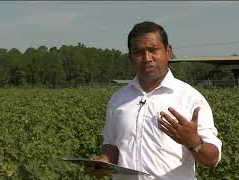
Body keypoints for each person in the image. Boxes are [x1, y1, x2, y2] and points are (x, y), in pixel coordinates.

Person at [86, 21, 222, 180]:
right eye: (138, 52)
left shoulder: (190, 98)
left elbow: (212, 160)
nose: (146, 58)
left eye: (153, 50)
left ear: (168, 52)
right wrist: (103, 162)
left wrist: (194, 143)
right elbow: (112, 145)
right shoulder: (118, 99)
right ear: (130, 58)